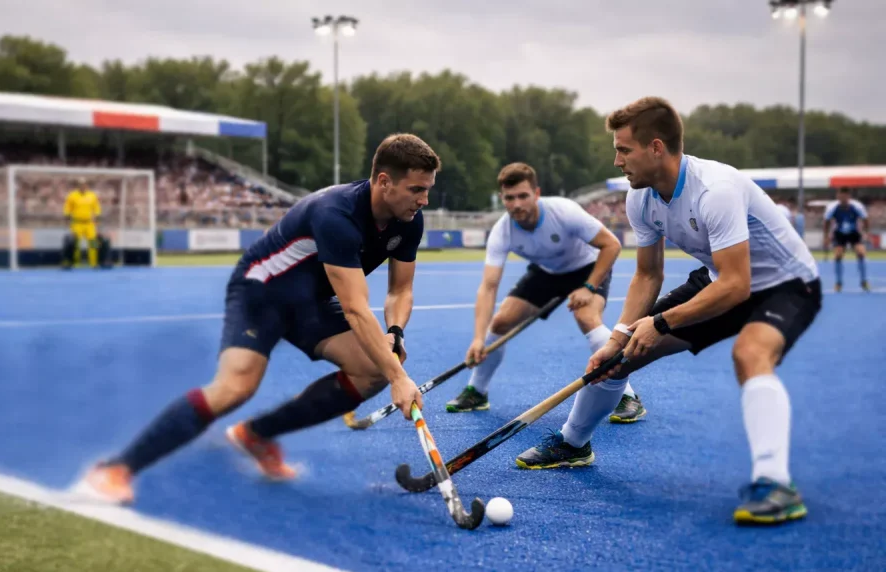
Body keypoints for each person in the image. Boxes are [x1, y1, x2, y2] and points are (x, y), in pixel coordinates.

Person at [75, 134, 440, 504]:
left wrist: (395, 334)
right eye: (416, 189)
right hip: (261, 292)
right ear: (383, 182)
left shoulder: (409, 221)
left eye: (427, 190)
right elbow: (356, 309)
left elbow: (400, 291)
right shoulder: (337, 213)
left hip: (310, 302)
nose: (424, 200)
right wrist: (399, 376)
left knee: (371, 368)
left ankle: (257, 434)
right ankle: (116, 468)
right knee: (236, 387)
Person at [516, 97, 821, 526]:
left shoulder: (716, 190)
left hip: (785, 284)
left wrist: (660, 323)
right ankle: (573, 444)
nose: (617, 160)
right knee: (616, 360)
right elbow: (647, 275)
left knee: (750, 355)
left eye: (624, 150)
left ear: (656, 148)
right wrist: (621, 337)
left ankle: (775, 484)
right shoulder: (640, 199)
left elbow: (739, 285)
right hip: (722, 279)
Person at [445, 162, 646, 424]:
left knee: (587, 318)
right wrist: (478, 338)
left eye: (522, 196)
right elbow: (488, 286)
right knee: (501, 321)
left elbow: (611, 245)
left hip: (586, 268)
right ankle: (477, 392)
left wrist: (588, 287)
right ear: (502, 199)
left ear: (536, 194)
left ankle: (627, 396)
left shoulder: (562, 211)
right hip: (546, 273)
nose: (516, 204)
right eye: (509, 198)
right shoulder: (502, 231)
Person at [822, 187, 871, 292]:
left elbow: (865, 219)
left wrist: (866, 233)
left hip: (854, 232)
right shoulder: (832, 207)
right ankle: (838, 283)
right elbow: (826, 222)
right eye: (840, 196)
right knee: (838, 255)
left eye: (845, 196)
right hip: (839, 233)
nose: (842, 198)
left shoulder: (857, 206)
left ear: (849, 196)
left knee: (861, 252)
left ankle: (863, 281)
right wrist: (826, 237)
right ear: (837, 196)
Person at [62, 178, 103, 268]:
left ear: (87, 185)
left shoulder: (92, 195)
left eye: (84, 184)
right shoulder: (72, 196)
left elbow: (96, 207)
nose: (83, 186)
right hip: (77, 223)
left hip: (90, 223)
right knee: (76, 244)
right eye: (81, 184)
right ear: (78, 185)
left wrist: (97, 216)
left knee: (93, 243)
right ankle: (76, 263)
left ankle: (94, 263)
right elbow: (67, 207)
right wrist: (67, 215)